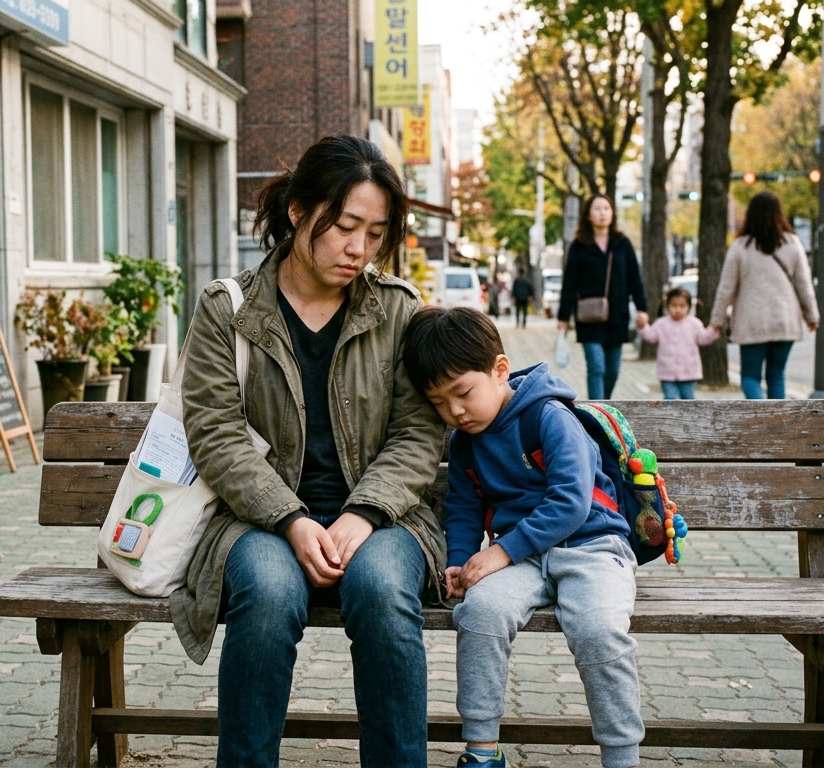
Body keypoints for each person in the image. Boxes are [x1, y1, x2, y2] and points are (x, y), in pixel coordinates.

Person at [173, 135, 448, 767]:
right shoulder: (228, 309)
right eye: (345, 227)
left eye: (375, 234)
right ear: (298, 211)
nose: (359, 249)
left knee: (383, 590)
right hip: (257, 521)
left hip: (384, 520)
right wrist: (292, 519)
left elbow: (418, 434)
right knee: (270, 594)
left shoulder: (398, 310)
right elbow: (215, 433)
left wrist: (365, 512)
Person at [402, 307, 644, 768]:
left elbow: (571, 503)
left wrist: (500, 551)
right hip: (523, 561)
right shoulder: (466, 441)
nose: (454, 411)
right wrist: (459, 560)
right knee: (480, 613)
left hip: (593, 547)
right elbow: (463, 506)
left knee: (598, 631)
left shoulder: (550, 416)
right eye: (438, 402)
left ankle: (621, 756)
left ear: (499, 370)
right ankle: (481, 750)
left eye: (462, 393)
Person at [709, 191, 819, 400]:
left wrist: (717, 321)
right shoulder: (792, 242)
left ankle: (761, 417)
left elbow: (726, 288)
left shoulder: (740, 246)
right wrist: (812, 316)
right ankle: (776, 420)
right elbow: (804, 284)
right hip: (784, 319)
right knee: (776, 376)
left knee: (750, 376)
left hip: (750, 321)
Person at [558, 195, 649, 399]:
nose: (602, 213)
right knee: (597, 367)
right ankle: (597, 413)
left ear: (612, 213)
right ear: (588, 215)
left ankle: (603, 405)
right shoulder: (579, 246)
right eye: (597, 209)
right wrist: (563, 317)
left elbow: (635, 278)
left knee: (612, 371)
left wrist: (642, 308)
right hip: (589, 317)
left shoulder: (622, 244)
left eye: (606, 208)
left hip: (617, 316)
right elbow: (569, 283)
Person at [636, 287, 719, 400]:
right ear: (667, 306)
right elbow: (651, 336)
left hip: (689, 372)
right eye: (674, 306)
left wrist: (714, 330)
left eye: (682, 306)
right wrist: (643, 327)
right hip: (667, 372)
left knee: (688, 399)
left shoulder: (694, 324)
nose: (678, 309)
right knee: (670, 398)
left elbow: (703, 338)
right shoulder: (661, 324)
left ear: (689, 307)